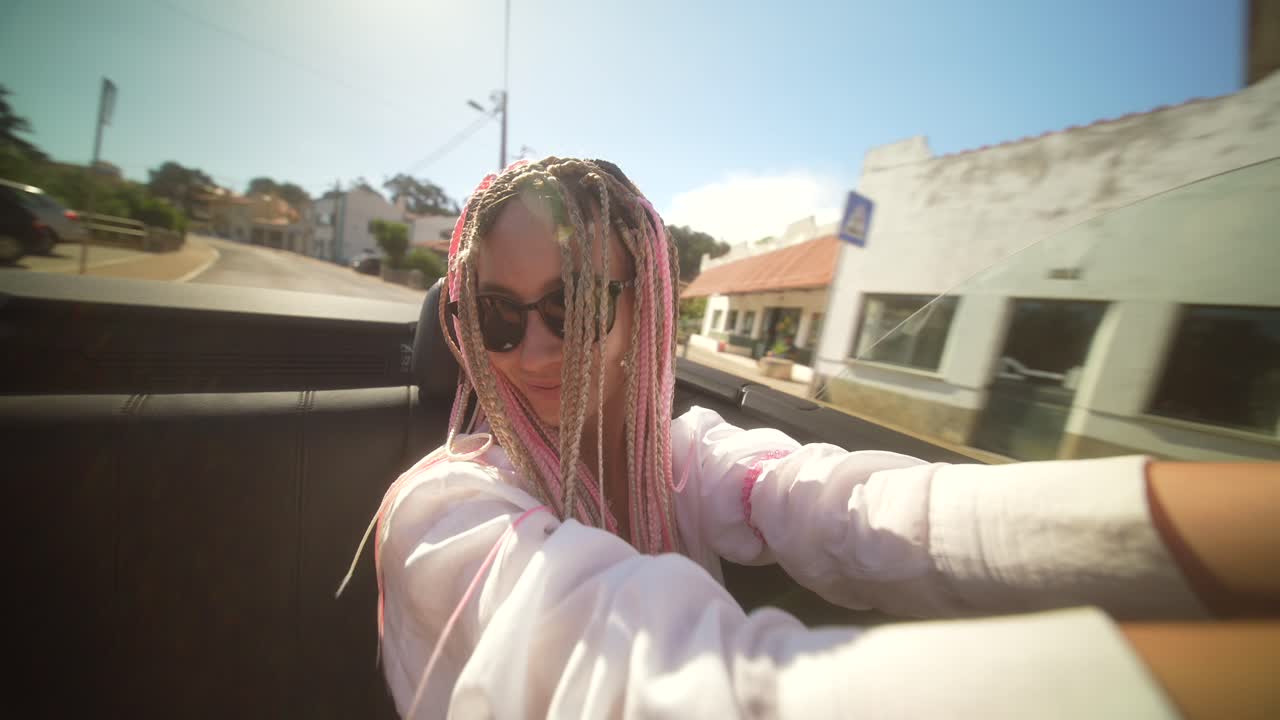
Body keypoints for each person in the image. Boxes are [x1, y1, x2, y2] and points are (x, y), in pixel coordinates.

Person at [344, 157, 1279, 719]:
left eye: (575, 303)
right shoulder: (446, 513)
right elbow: (665, 689)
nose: (535, 348)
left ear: (649, 307)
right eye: (498, 315)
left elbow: (865, 510)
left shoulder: (674, 459)